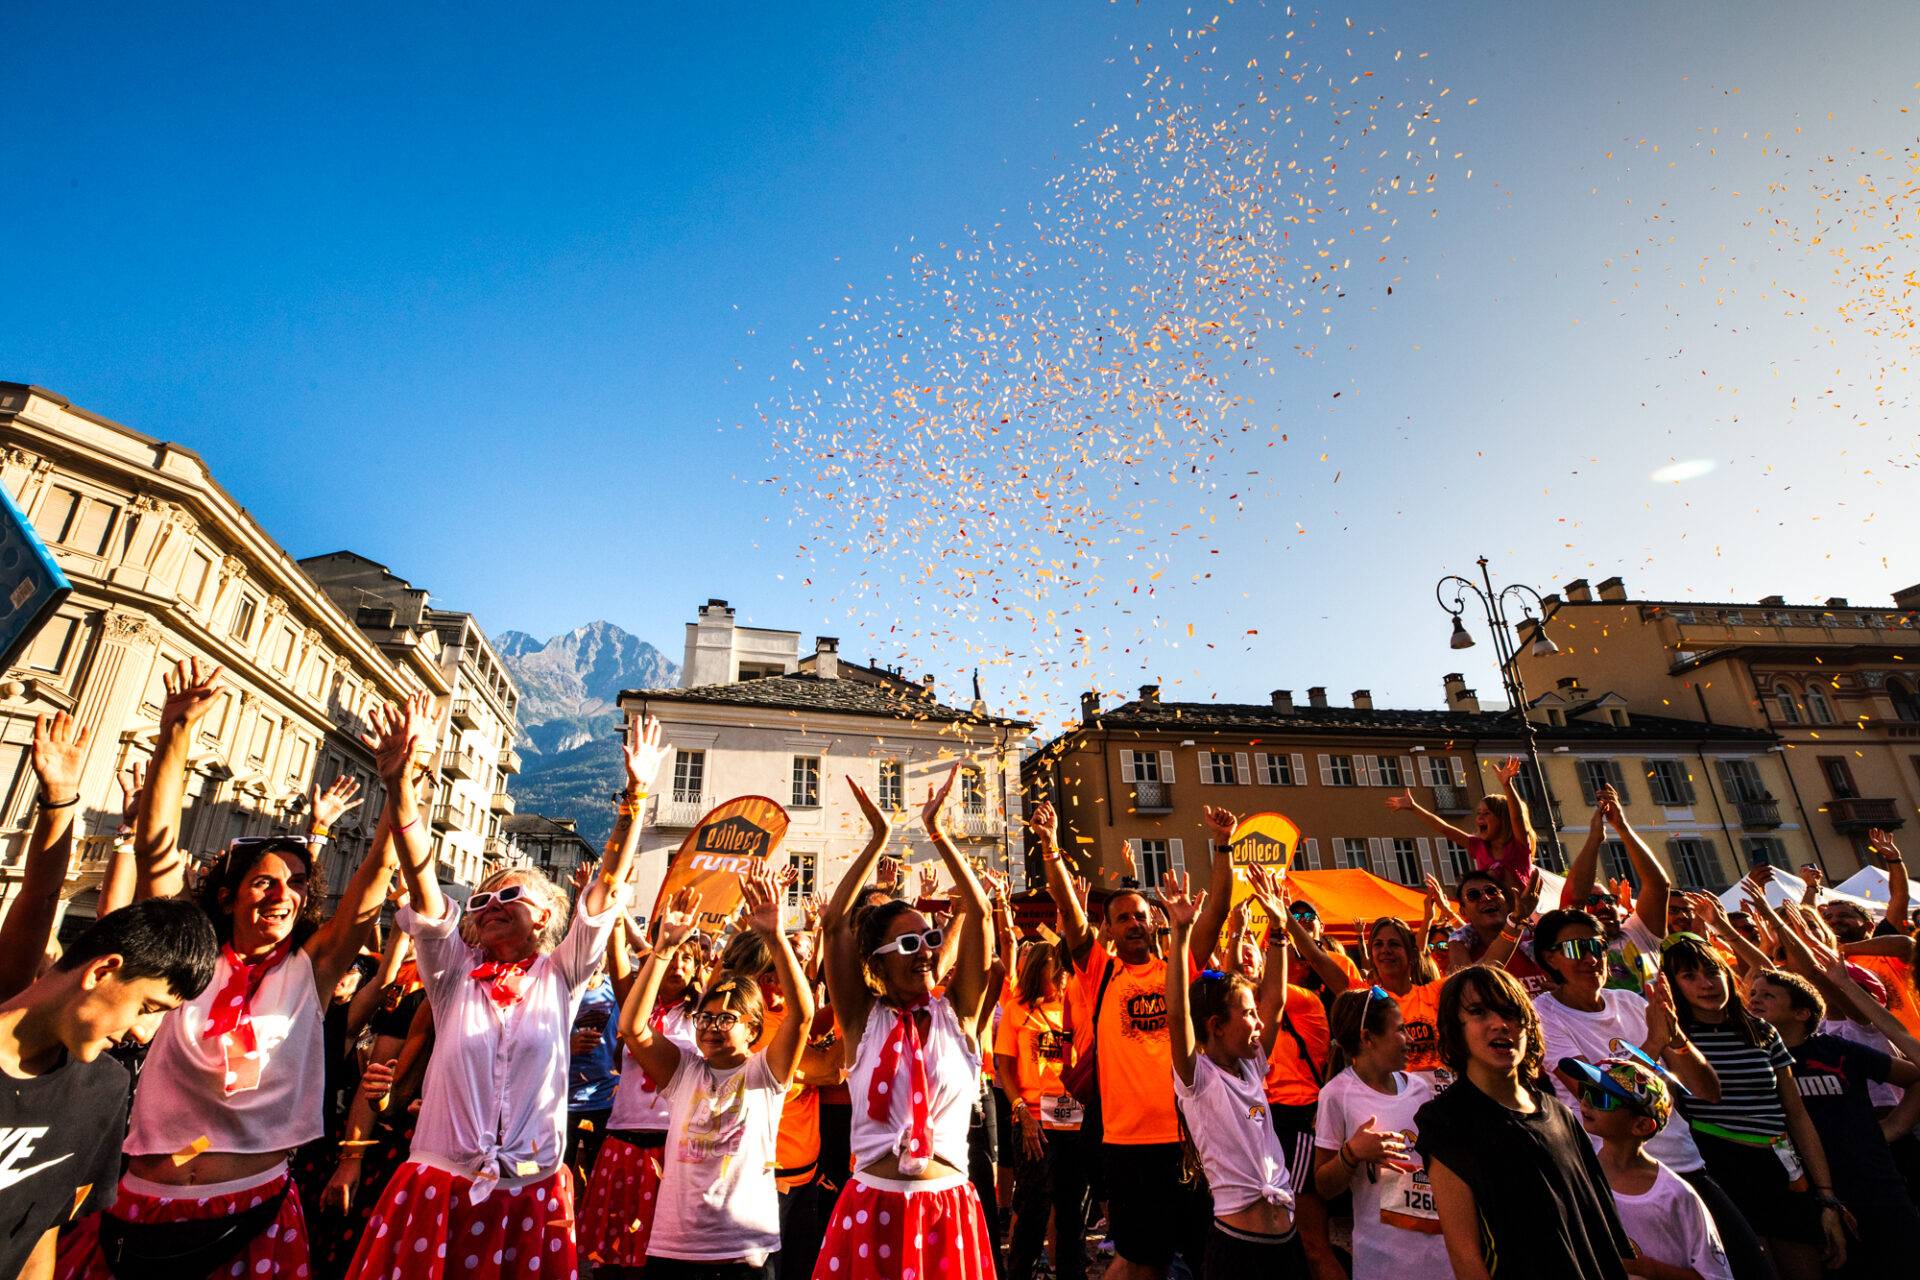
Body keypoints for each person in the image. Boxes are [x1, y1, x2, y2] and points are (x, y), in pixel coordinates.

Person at [58, 659, 396, 1280]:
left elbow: (372, 881)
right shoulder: (186, 959)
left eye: (296, 886)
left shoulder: (311, 971)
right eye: (265, 882)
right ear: (227, 895)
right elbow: (159, 846)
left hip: (252, 1213)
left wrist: (402, 787)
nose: (282, 895)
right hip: (139, 1208)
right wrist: (176, 732)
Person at [339, 700, 665, 1280]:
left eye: (507, 897)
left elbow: (609, 881)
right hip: (441, 1186)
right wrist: (399, 787)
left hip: (532, 1194)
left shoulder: (562, 974)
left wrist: (635, 796)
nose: (488, 906)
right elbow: (420, 876)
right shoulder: (450, 973)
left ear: (544, 917)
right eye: (482, 900)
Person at [0, 783, 217, 1280]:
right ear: (102, 971)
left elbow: (40, 1242)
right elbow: (40, 902)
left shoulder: (104, 1089)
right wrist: (64, 808)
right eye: (148, 1007)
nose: (144, 1032)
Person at [810, 767, 999, 1280]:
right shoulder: (861, 1020)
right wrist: (878, 839)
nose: (927, 953)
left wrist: (938, 832)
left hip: (947, 1209)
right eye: (910, 944)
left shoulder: (956, 1012)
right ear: (877, 959)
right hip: (874, 1208)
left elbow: (980, 914)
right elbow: (832, 925)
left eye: (932, 939)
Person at [1527, 909, 1774, 1280]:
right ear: (1550, 959)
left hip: (1685, 1163)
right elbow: (1594, 1095)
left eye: (1597, 945)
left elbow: (1708, 1091)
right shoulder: (1544, 1014)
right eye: (1577, 948)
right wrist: (1655, 1042)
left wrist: (1677, 1039)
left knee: (1750, 1269)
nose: (1592, 958)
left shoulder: (1629, 1002)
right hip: (1616, 1178)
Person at [1038, 801, 1216, 1280]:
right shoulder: (1101, 972)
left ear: (1154, 921)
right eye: (1123, 919)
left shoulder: (1178, 968)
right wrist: (1052, 850)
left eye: (1141, 915)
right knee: (1142, 1259)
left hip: (1191, 1139)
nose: (1134, 923)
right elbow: (1074, 922)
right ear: (1110, 932)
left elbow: (1214, 919)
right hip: (1127, 1143)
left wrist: (1222, 849)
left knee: (1201, 1255)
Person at [619, 866, 812, 1279]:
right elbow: (633, 1026)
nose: (710, 1027)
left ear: (753, 1029)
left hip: (745, 1250)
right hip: (676, 1247)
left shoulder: (767, 1075)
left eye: (726, 1020)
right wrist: (664, 950)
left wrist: (777, 936)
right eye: (705, 1019)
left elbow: (803, 1014)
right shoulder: (683, 1072)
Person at [1415, 964, 1633, 1280]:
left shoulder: (1559, 1114)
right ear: (1455, 1030)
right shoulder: (1447, 1122)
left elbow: (1601, 1231)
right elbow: (1466, 1257)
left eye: (1510, 1013)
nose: (1500, 1025)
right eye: (1479, 1013)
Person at [1659, 934, 1845, 1279]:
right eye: (1689, 976)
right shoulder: (1673, 1035)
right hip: (1717, 1166)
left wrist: (1827, 1197)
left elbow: (1796, 1114)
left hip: (1780, 1166)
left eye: (1712, 971)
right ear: (1673, 985)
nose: (1706, 984)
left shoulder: (1762, 1031)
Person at [1161, 872, 1305, 1277]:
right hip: (1239, 1247)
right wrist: (1180, 932)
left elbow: (1275, 1002)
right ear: (1217, 1025)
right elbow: (1176, 1015)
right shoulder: (1199, 1079)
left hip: (1287, 1239)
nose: (1260, 1022)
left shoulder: (1251, 1065)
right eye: (1248, 1014)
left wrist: (1278, 930)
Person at [1749, 956, 1920, 1275]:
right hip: (1809, 1198)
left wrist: (1894, 1127)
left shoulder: (1836, 1050)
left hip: (1876, 1189)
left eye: (1768, 995)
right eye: (1752, 995)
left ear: (1802, 1013)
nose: (1755, 1000)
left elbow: (1915, 1076)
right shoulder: (1750, 1062)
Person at [581, 912, 701, 1278]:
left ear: (698, 968)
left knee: (662, 1259)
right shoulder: (638, 1006)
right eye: (672, 956)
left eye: (688, 958)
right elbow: (620, 963)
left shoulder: (704, 1014)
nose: (677, 965)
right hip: (623, 1146)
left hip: (673, 1148)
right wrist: (616, 915)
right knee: (612, 1260)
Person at [1311, 987, 1449, 1280]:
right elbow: (1323, 1186)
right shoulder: (1336, 1095)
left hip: (1439, 1257)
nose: (1409, 1039)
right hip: (1382, 1263)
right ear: (1367, 1038)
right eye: (1400, 1030)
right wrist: (1352, 1153)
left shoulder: (1420, 1089)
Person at [1567, 1055, 1734, 1280]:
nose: (1585, 1102)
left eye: (1600, 1097)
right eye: (1584, 1091)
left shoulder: (1677, 1194)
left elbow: (1716, 1276)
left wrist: (1643, 1268)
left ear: (1642, 1124)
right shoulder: (1577, 1175)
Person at [1000, 939, 1088, 1280]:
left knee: (1071, 1212)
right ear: (1039, 970)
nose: (1064, 975)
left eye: (1066, 969)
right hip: (1033, 1122)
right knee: (1034, 1207)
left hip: (1074, 1119)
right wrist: (1020, 1110)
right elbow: (1005, 1069)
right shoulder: (1016, 1009)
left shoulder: (1075, 1004)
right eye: (1057, 969)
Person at [1556, 786, 1672, 993]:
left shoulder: (1639, 933)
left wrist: (1622, 827)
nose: (1603, 905)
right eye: (1591, 901)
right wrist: (1594, 839)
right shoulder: (1576, 947)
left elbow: (1659, 887)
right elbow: (1573, 898)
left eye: (1609, 900)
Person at [1385, 754, 1536, 894]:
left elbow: (1517, 819)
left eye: (1487, 813)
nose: (1479, 818)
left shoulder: (1518, 845)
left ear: (1504, 819)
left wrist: (1507, 786)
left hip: (1519, 911)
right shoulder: (1478, 846)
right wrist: (1414, 808)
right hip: (1493, 912)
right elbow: (1444, 828)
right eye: (1478, 813)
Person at [1443, 868, 1549, 995]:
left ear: (1507, 902)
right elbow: (1469, 985)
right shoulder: (1463, 951)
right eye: (1473, 895)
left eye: (1491, 891)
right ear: (1463, 912)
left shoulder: (1540, 941)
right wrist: (1515, 923)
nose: (1486, 898)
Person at [567, 958, 622, 1194]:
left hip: (606, 1102)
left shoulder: (617, 991)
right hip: (561, 1103)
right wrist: (566, 1044)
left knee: (601, 1183)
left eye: (603, 951)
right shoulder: (560, 991)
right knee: (556, 1179)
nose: (596, 958)